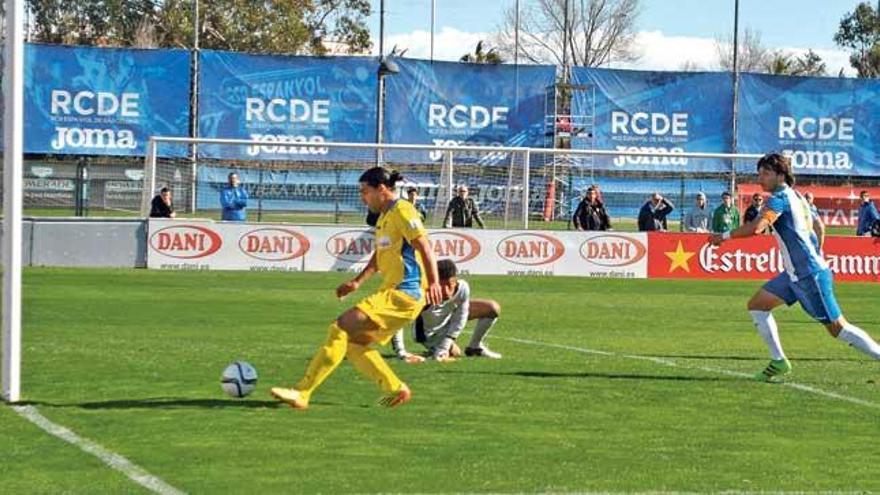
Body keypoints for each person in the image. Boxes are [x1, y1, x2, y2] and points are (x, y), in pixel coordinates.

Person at [270, 167, 442, 410]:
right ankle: (395, 389)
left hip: (405, 293)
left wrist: (434, 282)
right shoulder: (384, 217)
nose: (362, 197)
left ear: (381, 189)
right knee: (353, 345)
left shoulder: (403, 210)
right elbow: (380, 255)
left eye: (365, 191)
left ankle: (302, 392)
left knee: (340, 326)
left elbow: (424, 245)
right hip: (394, 293)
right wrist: (357, 282)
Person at [709, 153, 880, 382]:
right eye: (759, 173)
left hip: (809, 275)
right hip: (795, 274)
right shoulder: (797, 196)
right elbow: (818, 225)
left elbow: (757, 228)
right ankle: (779, 361)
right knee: (757, 305)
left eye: (765, 173)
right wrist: (816, 250)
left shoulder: (778, 199)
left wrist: (724, 236)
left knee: (838, 329)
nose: (760, 178)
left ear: (780, 175)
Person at [391, 259, 502, 362]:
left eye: (449, 285)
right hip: (428, 333)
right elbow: (397, 319)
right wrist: (401, 352)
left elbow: (461, 317)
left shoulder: (463, 288)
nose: (445, 291)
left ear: (455, 280)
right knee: (454, 353)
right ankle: (432, 350)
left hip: (448, 317)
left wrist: (445, 344)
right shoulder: (422, 293)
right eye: (440, 286)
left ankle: (475, 347)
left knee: (492, 308)